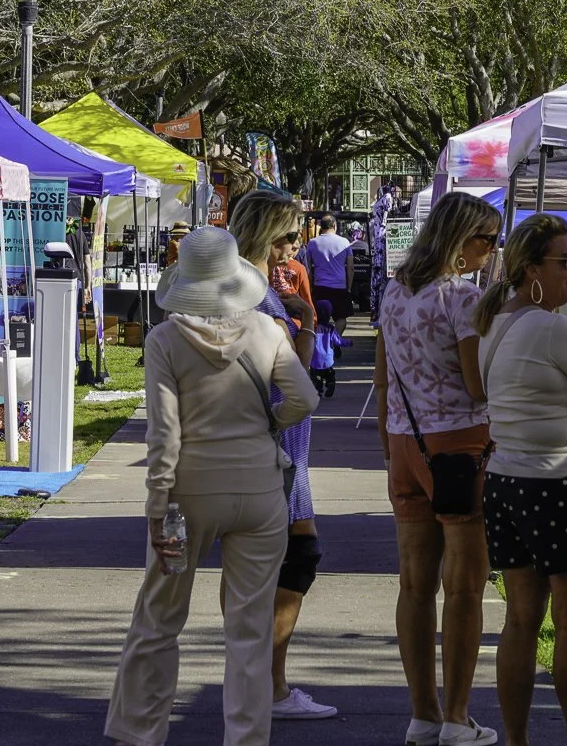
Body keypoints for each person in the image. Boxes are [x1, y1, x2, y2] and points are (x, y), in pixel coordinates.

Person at [105, 227, 320, 746]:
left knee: (159, 616)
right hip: (260, 491)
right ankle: (246, 738)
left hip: (189, 492)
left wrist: (158, 505)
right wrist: (270, 420)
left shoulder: (164, 340)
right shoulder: (269, 332)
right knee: (250, 629)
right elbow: (305, 399)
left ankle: (140, 730)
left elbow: (164, 433)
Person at [473, 214, 567, 746]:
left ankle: (517, 739)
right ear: (532, 268)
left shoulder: (493, 323)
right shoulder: (554, 328)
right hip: (564, 483)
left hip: (508, 483)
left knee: (521, 618)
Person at [375, 191, 503, 746]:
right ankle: (456, 716)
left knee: (414, 585)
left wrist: (389, 442)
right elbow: (477, 386)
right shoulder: (463, 298)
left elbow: (383, 380)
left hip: (406, 443)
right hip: (460, 445)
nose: (492, 251)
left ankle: (422, 715)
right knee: (466, 588)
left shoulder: (394, 291)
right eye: (487, 240)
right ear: (461, 239)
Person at [228, 191, 335, 721]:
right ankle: (266, 686)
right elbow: (293, 373)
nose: (296, 247)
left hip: (272, 443)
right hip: (275, 442)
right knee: (291, 557)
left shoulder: (240, 289)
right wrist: (308, 322)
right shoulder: (259, 297)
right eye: (291, 237)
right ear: (268, 235)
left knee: (258, 565)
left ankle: (260, 683)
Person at [303, 215, 356, 325]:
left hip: (320, 286)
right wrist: (349, 288)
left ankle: (323, 340)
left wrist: (311, 286)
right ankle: (335, 339)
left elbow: (307, 268)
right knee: (341, 318)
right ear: (334, 226)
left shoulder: (312, 243)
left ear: (320, 227)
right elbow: (350, 268)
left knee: (320, 319)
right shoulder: (344, 242)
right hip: (340, 287)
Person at [308, 300, 350, 398]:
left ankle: (317, 390)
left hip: (315, 360)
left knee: (315, 378)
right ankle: (330, 384)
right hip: (328, 360)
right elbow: (338, 341)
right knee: (330, 375)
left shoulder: (313, 328)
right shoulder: (330, 329)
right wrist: (348, 342)